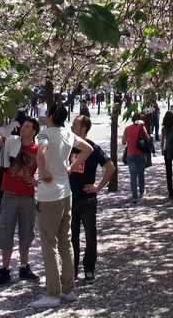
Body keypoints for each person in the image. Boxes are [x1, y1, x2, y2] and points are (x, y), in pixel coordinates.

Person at [33, 105, 92, 309]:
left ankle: (53, 292)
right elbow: (88, 149)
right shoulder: (67, 133)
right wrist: (70, 167)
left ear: (49, 116)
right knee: (65, 243)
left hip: (48, 196)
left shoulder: (44, 134)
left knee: (49, 245)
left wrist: (42, 172)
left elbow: (41, 153)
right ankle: (68, 289)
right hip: (66, 194)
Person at [0, 116, 40, 285]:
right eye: (23, 126)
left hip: (27, 196)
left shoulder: (38, 149)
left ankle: (24, 266)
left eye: (27, 127)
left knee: (26, 232)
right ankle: (4, 269)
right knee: (6, 231)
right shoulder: (11, 141)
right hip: (10, 194)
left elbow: (48, 169)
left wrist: (38, 181)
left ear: (34, 132)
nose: (23, 129)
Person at [70, 114, 115, 282]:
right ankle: (72, 269)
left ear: (83, 129)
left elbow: (110, 167)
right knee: (71, 236)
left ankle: (89, 268)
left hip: (87, 199)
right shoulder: (68, 146)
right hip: (70, 197)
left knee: (90, 235)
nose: (71, 127)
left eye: (74, 124)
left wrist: (99, 187)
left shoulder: (93, 148)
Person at [121, 114, 152, 202]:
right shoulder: (142, 128)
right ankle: (141, 191)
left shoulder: (127, 128)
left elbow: (123, 142)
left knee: (133, 175)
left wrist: (129, 141)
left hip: (130, 154)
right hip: (140, 153)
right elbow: (148, 138)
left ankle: (134, 196)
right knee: (141, 173)